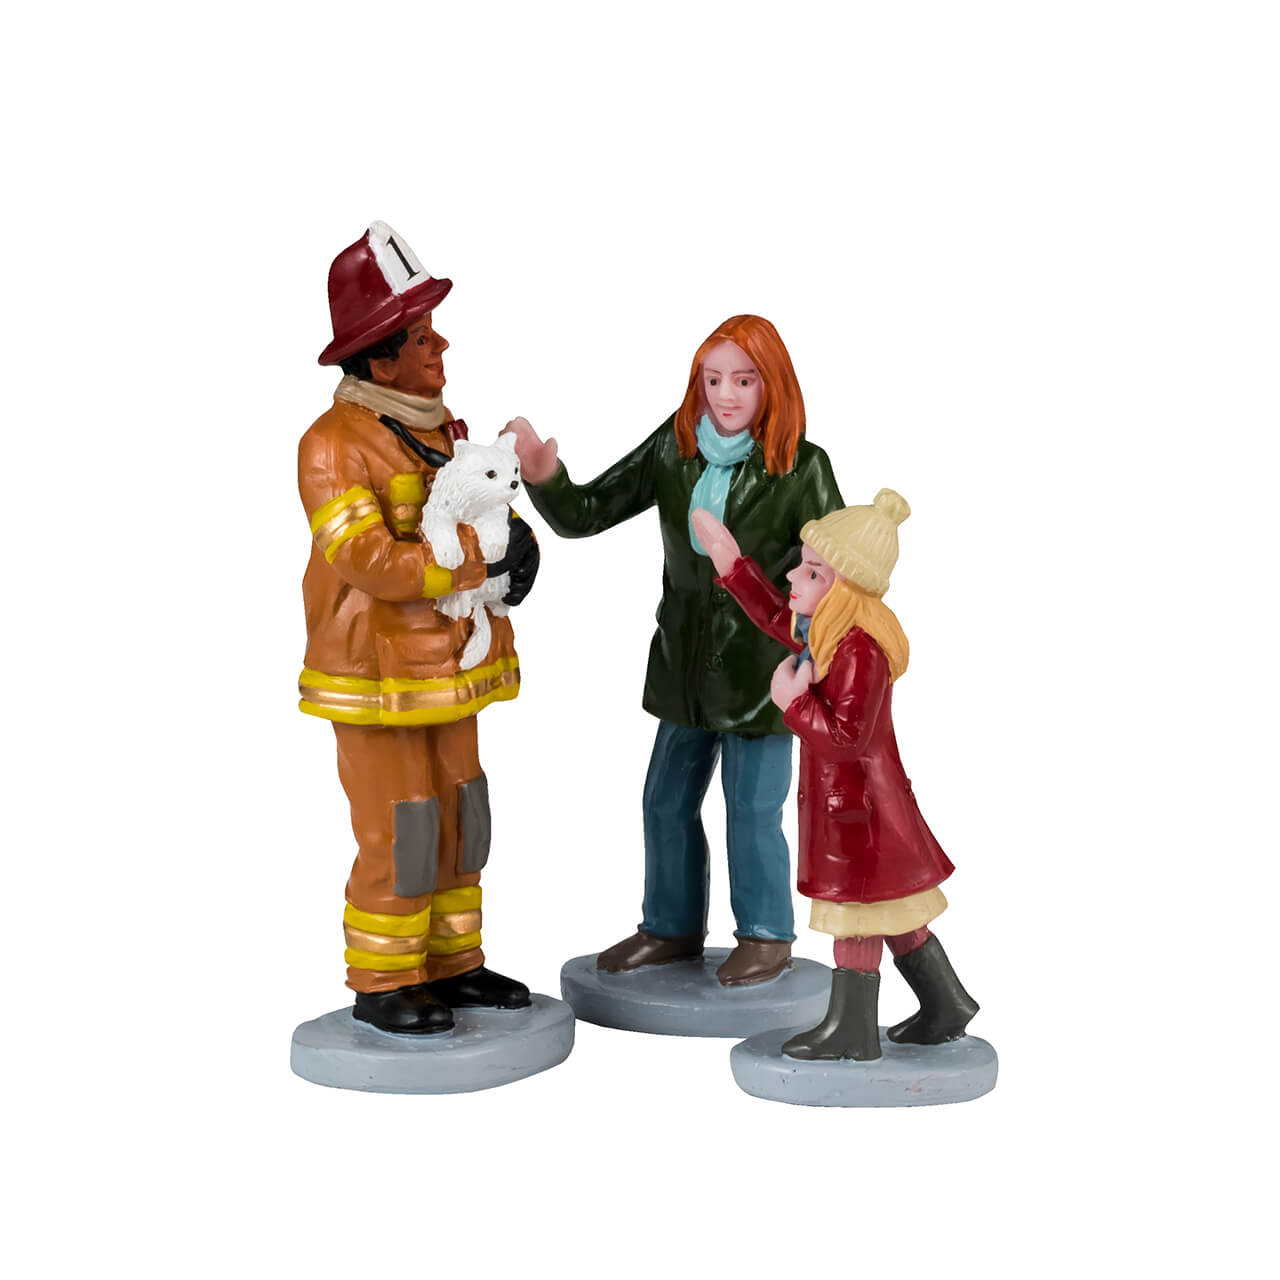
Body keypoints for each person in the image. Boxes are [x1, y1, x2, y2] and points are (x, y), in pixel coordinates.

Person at [506, 316, 842, 986]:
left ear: (772, 385)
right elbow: (590, 510)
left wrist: (817, 655)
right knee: (664, 801)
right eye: (713, 380)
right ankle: (670, 926)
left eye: (743, 380)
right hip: (685, 663)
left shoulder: (803, 467)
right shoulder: (675, 447)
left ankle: (767, 935)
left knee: (752, 809)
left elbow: (834, 572)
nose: (726, 395)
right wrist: (546, 477)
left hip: (765, 669)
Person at [298, 221, 540, 1034]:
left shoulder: (438, 426)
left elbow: (475, 506)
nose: (441, 347)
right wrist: (475, 560)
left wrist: (515, 542)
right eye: (421, 336)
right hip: (378, 675)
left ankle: (453, 963)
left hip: (448, 668)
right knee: (404, 824)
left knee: (463, 814)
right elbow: (366, 557)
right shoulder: (331, 447)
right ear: (378, 360)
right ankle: (386, 977)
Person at [692, 492, 979, 1059]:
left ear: (845, 585)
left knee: (858, 919)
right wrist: (733, 565)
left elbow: (848, 737)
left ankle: (851, 1031)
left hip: (863, 816)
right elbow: (778, 618)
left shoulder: (859, 651)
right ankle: (945, 1005)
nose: (794, 576)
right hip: (860, 809)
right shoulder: (827, 632)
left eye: (813, 571)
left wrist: (792, 703)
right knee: (893, 913)